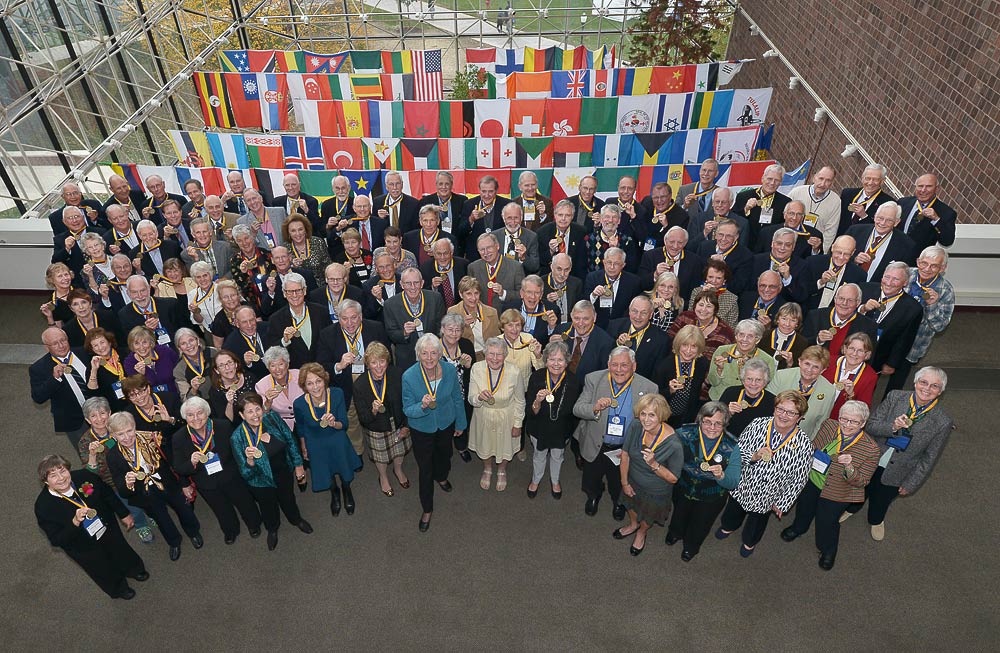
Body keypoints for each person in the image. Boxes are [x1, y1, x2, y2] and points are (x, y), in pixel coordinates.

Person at [842, 367, 953, 542]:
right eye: (923, 382)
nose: (927, 389)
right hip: (872, 458)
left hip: (900, 470)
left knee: (882, 498)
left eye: (934, 386)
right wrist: (892, 427)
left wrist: (912, 483)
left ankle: (876, 520)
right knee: (860, 488)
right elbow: (871, 425)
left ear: (940, 391)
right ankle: (852, 508)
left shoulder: (942, 421)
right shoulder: (895, 396)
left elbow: (929, 458)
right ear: (915, 382)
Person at [780, 401, 880, 570]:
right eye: (844, 419)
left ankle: (827, 549)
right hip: (812, 480)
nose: (847, 425)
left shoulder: (871, 449)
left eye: (854, 422)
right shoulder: (829, 425)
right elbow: (814, 447)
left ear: (863, 423)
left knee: (827, 522)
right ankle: (799, 528)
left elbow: (862, 482)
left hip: (838, 491)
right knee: (804, 507)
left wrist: (849, 467)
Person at [34, 454, 147, 599]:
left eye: (62, 471)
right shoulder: (44, 507)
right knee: (100, 567)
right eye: (53, 475)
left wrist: (123, 514)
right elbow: (56, 540)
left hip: (107, 526)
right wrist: (74, 522)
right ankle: (119, 588)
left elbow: (108, 494)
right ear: (45, 481)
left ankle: (133, 569)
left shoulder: (84, 477)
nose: (61, 478)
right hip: (82, 546)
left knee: (120, 548)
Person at [716, 390, 812, 557]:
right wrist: (753, 456)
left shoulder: (804, 445)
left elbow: (799, 478)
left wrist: (783, 502)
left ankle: (749, 542)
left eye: (791, 412)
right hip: (743, 484)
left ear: (800, 417)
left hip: (768, 495)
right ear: (774, 409)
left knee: (756, 523)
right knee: (733, 511)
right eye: (780, 409)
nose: (783, 415)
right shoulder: (757, 424)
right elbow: (738, 452)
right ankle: (728, 526)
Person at [573, 347, 658, 519]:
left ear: (634, 366)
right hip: (596, 441)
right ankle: (593, 496)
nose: (619, 370)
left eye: (624, 365)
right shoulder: (594, 379)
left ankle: (618, 502)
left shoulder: (649, 387)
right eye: (615, 365)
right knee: (591, 478)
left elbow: (655, 422)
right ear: (608, 365)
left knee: (619, 481)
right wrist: (594, 408)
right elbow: (577, 409)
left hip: (624, 448)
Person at [105, 412, 203, 562]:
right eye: (120, 434)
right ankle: (174, 542)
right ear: (113, 435)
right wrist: (128, 483)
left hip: (168, 483)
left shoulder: (152, 438)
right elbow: (120, 487)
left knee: (184, 510)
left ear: (135, 427)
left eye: (129, 430)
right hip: (144, 493)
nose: (127, 437)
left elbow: (173, 461)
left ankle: (193, 532)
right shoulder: (113, 456)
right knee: (161, 519)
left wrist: (184, 484)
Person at [173, 397, 262, 545]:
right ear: (185, 417)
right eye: (190, 415)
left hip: (230, 474)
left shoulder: (223, 426)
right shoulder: (179, 438)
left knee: (244, 501)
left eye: (199, 413)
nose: (195, 418)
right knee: (220, 509)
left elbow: (237, 450)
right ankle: (230, 530)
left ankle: (254, 524)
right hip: (206, 481)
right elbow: (178, 467)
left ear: (207, 413)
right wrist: (191, 462)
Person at [401, 334, 468, 532]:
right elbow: (407, 409)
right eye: (424, 353)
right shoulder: (409, 376)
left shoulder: (448, 369)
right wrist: (421, 406)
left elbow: (457, 398)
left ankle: (442, 476)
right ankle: (427, 508)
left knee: (444, 455)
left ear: (440, 354)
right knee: (425, 469)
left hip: (446, 424)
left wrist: (461, 423)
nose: (429, 358)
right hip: (422, 429)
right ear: (418, 355)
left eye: (433, 353)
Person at [232, 393, 313, 550]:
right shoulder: (237, 438)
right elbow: (246, 474)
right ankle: (273, 529)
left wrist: (298, 465)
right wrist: (250, 461)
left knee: (288, 498)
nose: (255, 415)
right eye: (249, 411)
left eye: (258, 409)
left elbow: (290, 441)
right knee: (268, 507)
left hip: (283, 472)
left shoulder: (273, 419)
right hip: (260, 481)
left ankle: (296, 519)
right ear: (242, 415)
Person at [666, 402, 742, 562]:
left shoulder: (733, 446)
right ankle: (675, 533)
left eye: (718, 423)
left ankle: (691, 547)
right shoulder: (684, 433)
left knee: (701, 524)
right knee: (679, 513)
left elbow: (733, 483)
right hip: (683, 487)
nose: (712, 427)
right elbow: (664, 447)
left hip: (712, 497)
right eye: (707, 421)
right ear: (700, 420)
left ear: (725, 424)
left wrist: (721, 476)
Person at [77, 397, 154, 544]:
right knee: (133, 507)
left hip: (136, 472)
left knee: (147, 497)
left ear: (110, 413)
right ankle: (141, 525)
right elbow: (90, 474)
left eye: (102, 413)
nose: (99, 419)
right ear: (87, 419)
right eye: (93, 416)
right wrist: (92, 455)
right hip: (113, 483)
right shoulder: (85, 442)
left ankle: (151, 513)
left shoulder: (120, 427)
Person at [616, 394, 683, 556]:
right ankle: (633, 525)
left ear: (661, 416)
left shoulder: (674, 444)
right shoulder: (635, 426)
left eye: (652, 415)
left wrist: (654, 464)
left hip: (656, 491)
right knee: (631, 506)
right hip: (632, 480)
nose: (646, 419)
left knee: (647, 517)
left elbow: (674, 478)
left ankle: (641, 532)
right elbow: (625, 454)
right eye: (643, 414)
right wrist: (624, 483)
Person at [293, 363, 361, 516]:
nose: (315, 387)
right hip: (315, 441)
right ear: (304, 386)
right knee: (325, 469)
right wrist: (303, 446)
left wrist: (333, 423)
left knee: (343, 466)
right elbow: (301, 427)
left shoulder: (337, 394)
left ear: (324, 380)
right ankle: (334, 492)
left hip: (336, 436)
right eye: (310, 383)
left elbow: (344, 424)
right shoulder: (299, 404)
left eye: (318, 381)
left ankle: (346, 489)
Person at [892, 246, 954, 393]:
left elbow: (940, 327)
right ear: (918, 261)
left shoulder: (946, 291)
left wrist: (932, 305)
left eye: (934, 266)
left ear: (942, 268)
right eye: (924, 263)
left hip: (913, 345)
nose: (927, 269)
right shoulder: (905, 275)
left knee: (896, 384)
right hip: (891, 336)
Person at [524, 341, 581, 499]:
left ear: (567, 361)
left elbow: (575, 411)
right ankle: (536, 479)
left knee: (558, 456)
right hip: (539, 427)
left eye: (560, 360)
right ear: (545, 360)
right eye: (552, 359)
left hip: (561, 429)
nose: (556, 364)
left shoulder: (574, 381)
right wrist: (537, 401)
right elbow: (531, 410)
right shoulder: (536, 377)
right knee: (539, 455)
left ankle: (555, 480)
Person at [352, 344, 411, 496]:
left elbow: (408, 401)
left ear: (388, 361)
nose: (378, 366)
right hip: (376, 426)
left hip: (398, 420)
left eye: (382, 361)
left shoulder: (397, 374)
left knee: (400, 451)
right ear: (367, 364)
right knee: (381, 457)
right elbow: (364, 419)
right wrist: (373, 411)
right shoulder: (360, 384)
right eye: (373, 362)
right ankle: (383, 476)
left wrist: (406, 425)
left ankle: (398, 470)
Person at [468, 338, 526, 491]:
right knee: (485, 444)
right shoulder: (476, 368)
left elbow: (520, 400)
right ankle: (487, 469)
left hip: (507, 416)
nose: (494, 358)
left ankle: (501, 470)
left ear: (505, 355)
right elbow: (471, 398)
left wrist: (518, 424)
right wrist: (479, 397)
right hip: (483, 415)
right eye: (491, 354)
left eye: (499, 354)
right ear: (485, 353)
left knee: (505, 446)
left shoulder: (514, 371)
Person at [31, 326, 92, 448]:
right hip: (75, 421)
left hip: (102, 413)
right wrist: (54, 379)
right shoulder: (38, 368)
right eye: (55, 343)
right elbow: (38, 397)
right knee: (90, 456)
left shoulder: (85, 353)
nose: (61, 345)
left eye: (63, 340)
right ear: (46, 347)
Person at [858, 261, 923, 376]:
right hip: (850, 350)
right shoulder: (864, 289)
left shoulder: (913, 308)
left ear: (905, 282)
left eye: (895, 279)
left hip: (879, 357)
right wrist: (862, 309)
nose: (889, 283)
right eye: (887, 277)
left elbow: (905, 339)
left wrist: (891, 363)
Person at [767, 345, 836, 438]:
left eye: (816, 367)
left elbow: (821, 423)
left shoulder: (829, 390)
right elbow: (767, 408)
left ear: (823, 370)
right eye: (807, 364)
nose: (809, 370)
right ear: (799, 361)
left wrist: (809, 444)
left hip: (801, 440)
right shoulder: (781, 376)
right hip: (770, 432)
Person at [383, 267, 446, 370]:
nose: (413, 287)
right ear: (401, 284)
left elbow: (441, 327)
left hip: (433, 356)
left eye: (416, 283)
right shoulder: (390, 304)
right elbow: (391, 334)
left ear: (422, 283)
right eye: (408, 283)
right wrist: (404, 333)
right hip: (407, 358)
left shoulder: (435, 298)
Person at [265, 271, 330, 368]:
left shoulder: (321, 312)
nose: (294, 295)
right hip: (295, 374)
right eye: (290, 291)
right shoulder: (276, 319)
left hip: (321, 370)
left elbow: (329, 341)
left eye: (298, 290)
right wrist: (284, 340)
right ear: (284, 293)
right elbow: (271, 351)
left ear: (304, 291)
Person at [847, 201, 916, 283]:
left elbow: (903, 276)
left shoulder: (907, 245)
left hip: (874, 291)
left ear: (896, 222)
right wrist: (854, 259)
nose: (883, 223)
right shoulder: (855, 231)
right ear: (875, 216)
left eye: (889, 220)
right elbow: (834, 254)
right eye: (880, 218)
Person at [654, 325, 709, 427]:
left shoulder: (702, 363)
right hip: (664, 416)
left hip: (687, 416)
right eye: (685, 345)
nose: (688, 351)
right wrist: (669, 391)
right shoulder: (664, 366)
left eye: (694, 346)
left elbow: (696, 391)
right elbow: (654, 394)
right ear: (678, 344)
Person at [707, 319, 776, 401]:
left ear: (757, 340)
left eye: (750, 336)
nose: (744, 339)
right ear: (736, 336)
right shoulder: (721, 351)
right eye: (741, 335)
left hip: (748, 403)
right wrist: (719, 369)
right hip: (719, 399)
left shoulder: (767, 360)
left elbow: (765, 388)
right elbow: (712, 382)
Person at [438, 314, 476, 462]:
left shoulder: (466, 345)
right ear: (442, 329)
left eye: (458, 330)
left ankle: (461, 446)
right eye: (450, 329)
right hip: (442, 395)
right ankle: (445, 448)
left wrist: (468, 366)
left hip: (462, 393)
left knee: (463, 419)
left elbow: (472, 371)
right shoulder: (434, 347)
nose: (454, 334)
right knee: (444, 423)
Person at [609, 295, 670, 380]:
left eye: (643, 313)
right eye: (634, 311)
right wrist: (618, 344)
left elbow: (657, 374)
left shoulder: (661, 340)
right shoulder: (613, 327)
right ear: (629, 312)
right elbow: (605, 357)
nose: (638, 316)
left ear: (650, 315)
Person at [733, 163, 790, 249]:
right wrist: (746, 209)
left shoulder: (785, 202)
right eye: (769, 179)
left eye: (776, 180)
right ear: (762, 178)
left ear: (780, 182)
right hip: (745, 245)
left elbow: (784, 227)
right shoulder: (743, 196)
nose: (772, 183)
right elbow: (733, 220)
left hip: (769, 248)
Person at [583, 245, 641, 329]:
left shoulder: (633, 282)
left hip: (622, 327)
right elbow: (585, 305)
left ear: (623, 265)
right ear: (604, 262)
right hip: (597, 327)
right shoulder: (592, 278)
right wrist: (594, 295)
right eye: (609, 262)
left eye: (616, 263)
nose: (612, 267)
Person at [639, 226, 704, 299]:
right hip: (653, 304)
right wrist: (655, 274)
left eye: (680, 242)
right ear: (665, 240)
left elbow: (694, 291)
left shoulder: (695, 261)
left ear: (685, 243)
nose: (675, 246)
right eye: (672, 242)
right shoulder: (650, 256)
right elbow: (641, 284)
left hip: (680, 306)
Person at [822, 332, 877, 418]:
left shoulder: (870, 376)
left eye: (860, 351)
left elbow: (863, 409)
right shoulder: (829, 361)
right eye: (851, 348)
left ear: (866, 355)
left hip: (839, 419)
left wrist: (851, 394)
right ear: (844, 349)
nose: (855, 354)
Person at [898, 173, 957, 252]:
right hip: (894, 257)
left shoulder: (946, 212)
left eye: (929, 186)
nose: (923, 190)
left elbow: (947, 242)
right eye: (920, 186)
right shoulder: (903, 203)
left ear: (937, 188)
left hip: (918, 261)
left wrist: (936, 220)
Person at [716, 358, 775, 436]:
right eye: (749, 379)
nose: (753, 384)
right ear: (743, 380)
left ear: (765, 382)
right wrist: (727, 413)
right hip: (727, 441)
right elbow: (714, 422)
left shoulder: (772, 401)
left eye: (758, 380)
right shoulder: (730, 393)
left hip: (755, 444)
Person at [788, 165, 841, 252]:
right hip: (790, 242)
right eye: (821, 178)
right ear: (814, 178)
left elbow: (831, 231)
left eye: (828, 180)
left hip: (813, 247)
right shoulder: (796, 192)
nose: (823, 184)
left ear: (831, 183)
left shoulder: (835, 201)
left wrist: (821, 251)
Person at [447, 276, 501, 359]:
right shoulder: (452, 312)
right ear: (461, 294)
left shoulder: (492, 312)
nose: (473, 298)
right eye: (468, 293)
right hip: (464, 357)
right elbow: (449, 340)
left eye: (476, 293)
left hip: (488, 357)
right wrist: (462, 325)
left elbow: (497, 340)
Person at [695, 218, 753, 293]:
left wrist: (724, 266)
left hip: (727, 298)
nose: (723, 239)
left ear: (736, 237)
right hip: (702, 294)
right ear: (715, 234)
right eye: (720, 234)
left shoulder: (745, 255)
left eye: (728, 236)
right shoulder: (704, 247)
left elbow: (739, 286)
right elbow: (696, 274)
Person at [468, 232, 525, 309]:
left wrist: (503, 293)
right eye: (482, 249)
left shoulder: (515, 267)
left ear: (497, 246)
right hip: (482, 316)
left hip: (505, 317)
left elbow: (522, 294)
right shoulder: (473, 268)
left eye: (489, 248)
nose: (486, 252)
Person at [537, 199, 588, 279]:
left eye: (567, 215)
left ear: (572, 216)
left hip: (572, 277)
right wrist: (551, 251)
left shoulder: (580, 232)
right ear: (555, 215)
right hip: (549, 277)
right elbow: (540, 261)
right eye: (560, 215)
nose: (563, 219)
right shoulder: (543, 232)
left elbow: (581, 263)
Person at [838, 163, 894, 235]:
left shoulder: (887, 203)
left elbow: (881, 230)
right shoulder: (847, 194)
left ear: (882, 181)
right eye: (868, 178)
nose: (870, 183)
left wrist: (864, 216)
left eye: (875, 179)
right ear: (862, 178)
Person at [256, 346, 303, 430]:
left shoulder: (300, 375)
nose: (277, 369)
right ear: (268, 368)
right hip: (282, 427)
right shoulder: (261, 385)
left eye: (281, 364)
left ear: (287, 364)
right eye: (273, 366)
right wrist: (268, 401)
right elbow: (263, 413)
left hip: (305, 420)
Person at [123, 326, 180, 396]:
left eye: (144, 342)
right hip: (152, 400)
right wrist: (140, 376)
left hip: (176, 393)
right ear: (132, 345)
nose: (141, 347)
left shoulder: (165, 351)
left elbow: (180, 372)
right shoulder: (129, 363)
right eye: (137, 343)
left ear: (151, 342)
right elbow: (138, 391)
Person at [582, 204, 638, 275]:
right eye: (607, 217)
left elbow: (631, 269)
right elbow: (582, 268)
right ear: (601, 219)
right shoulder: (588, 240)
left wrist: (617, 249)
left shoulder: (628, 241)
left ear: (619, 221)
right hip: (593, 283)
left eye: (614, 217)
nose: (610, 220)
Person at [229, 224, 274, 311]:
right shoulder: (235, 261)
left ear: (252, 237)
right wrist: (243, 273)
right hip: (253, 307)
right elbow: (242, 289)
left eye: (246, 238)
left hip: (273, 300)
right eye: (239, 241)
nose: (244, 243)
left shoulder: (266, 254)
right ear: (236, 242)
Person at [83, 327, 129, 412]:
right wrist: (94, 370)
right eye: (95, 345)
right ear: (92, 349)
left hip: (136, 402)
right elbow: (92, 395)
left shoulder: (125, 354)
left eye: (102, 342)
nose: (100, 347)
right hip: (114, 410)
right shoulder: (93, 365)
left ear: (109, 341)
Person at [498, 308, 544, 391]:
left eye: (518, 325)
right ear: (502, 327)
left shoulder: (528, 339)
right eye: (510, 325)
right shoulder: (496, 343)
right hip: (502, 390)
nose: (514, 329)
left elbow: (541, 370)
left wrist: (538, 355)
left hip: (525, 389)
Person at [207, 349, 256, 422]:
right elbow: (226, 422)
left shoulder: (250, 377)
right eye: (221, 365)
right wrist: (230, 403)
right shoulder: (215, 392)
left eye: (229, 362)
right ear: (217, 370)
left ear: (236, 364)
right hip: (237, 428)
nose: (227, 368)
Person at [419, 238, 468, 309]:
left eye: (445, 253)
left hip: (460, 310)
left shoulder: (463, 265)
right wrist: (433, 287)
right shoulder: (425, 268)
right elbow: (422, 294)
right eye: (439, 254)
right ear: (434, 254)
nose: (442, 257)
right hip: (438, 312)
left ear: (451, 252)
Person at [689, 259, 738, 328]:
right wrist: (703, 294)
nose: (714, 281)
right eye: (710, 277)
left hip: (720, 334)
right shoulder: (697, 292)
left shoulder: (732, 299)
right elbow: (690, 316)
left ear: (724, 280)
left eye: (718, 278)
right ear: (706, 277)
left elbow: (732, 326)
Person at [282, 212, 331, 282]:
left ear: (305, 229)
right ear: (288, 232)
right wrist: (291, 266)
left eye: (300, 229)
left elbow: (328, 266)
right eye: (293, 231)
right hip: (296, 289)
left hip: (319, 287)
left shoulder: (318, 242)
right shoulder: (285, 248)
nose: (297, 234)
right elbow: (282, 273)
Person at [416, 171, 468, 235]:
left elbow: (465, 225)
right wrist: (431, 210)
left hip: (456, 241)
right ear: (436, 185)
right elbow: (419, 225)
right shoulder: (425, 202)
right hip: (434, 242)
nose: (444, 187)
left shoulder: (462, 201)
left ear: (451, 185)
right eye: (440, 184)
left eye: (447, 184)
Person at [759, 302, 807, 370]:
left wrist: (790, 364)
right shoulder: (764, 335)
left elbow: (797, 372)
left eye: (793, 320)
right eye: (784, 319)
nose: (787, 324)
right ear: (778, 319)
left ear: (797, 324)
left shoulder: (802, 343)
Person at [173, 327, 215, 401]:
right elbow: (185, 400)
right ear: (179, 348)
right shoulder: (179, 370)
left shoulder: (213, 353)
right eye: (183, 343)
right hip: (201, 404)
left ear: (198, 341)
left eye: (191, 340)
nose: (189, 345)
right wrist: (193, 389)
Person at [187, 261, 222, 334]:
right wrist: (195, 312)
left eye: (205, 275)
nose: (202, 279)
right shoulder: (192, 295)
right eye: (198, 277)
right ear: (194, 279)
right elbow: (199, 321)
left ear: (211, 275)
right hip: (210, 332)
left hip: (229, 327)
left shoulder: (221, 288)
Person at [41, 262, 76, 327]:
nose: (65, 278)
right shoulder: (52, 303)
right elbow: (58, 327)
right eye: (60, 276)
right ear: (52, 280)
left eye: (66, 274)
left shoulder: (79, 289)